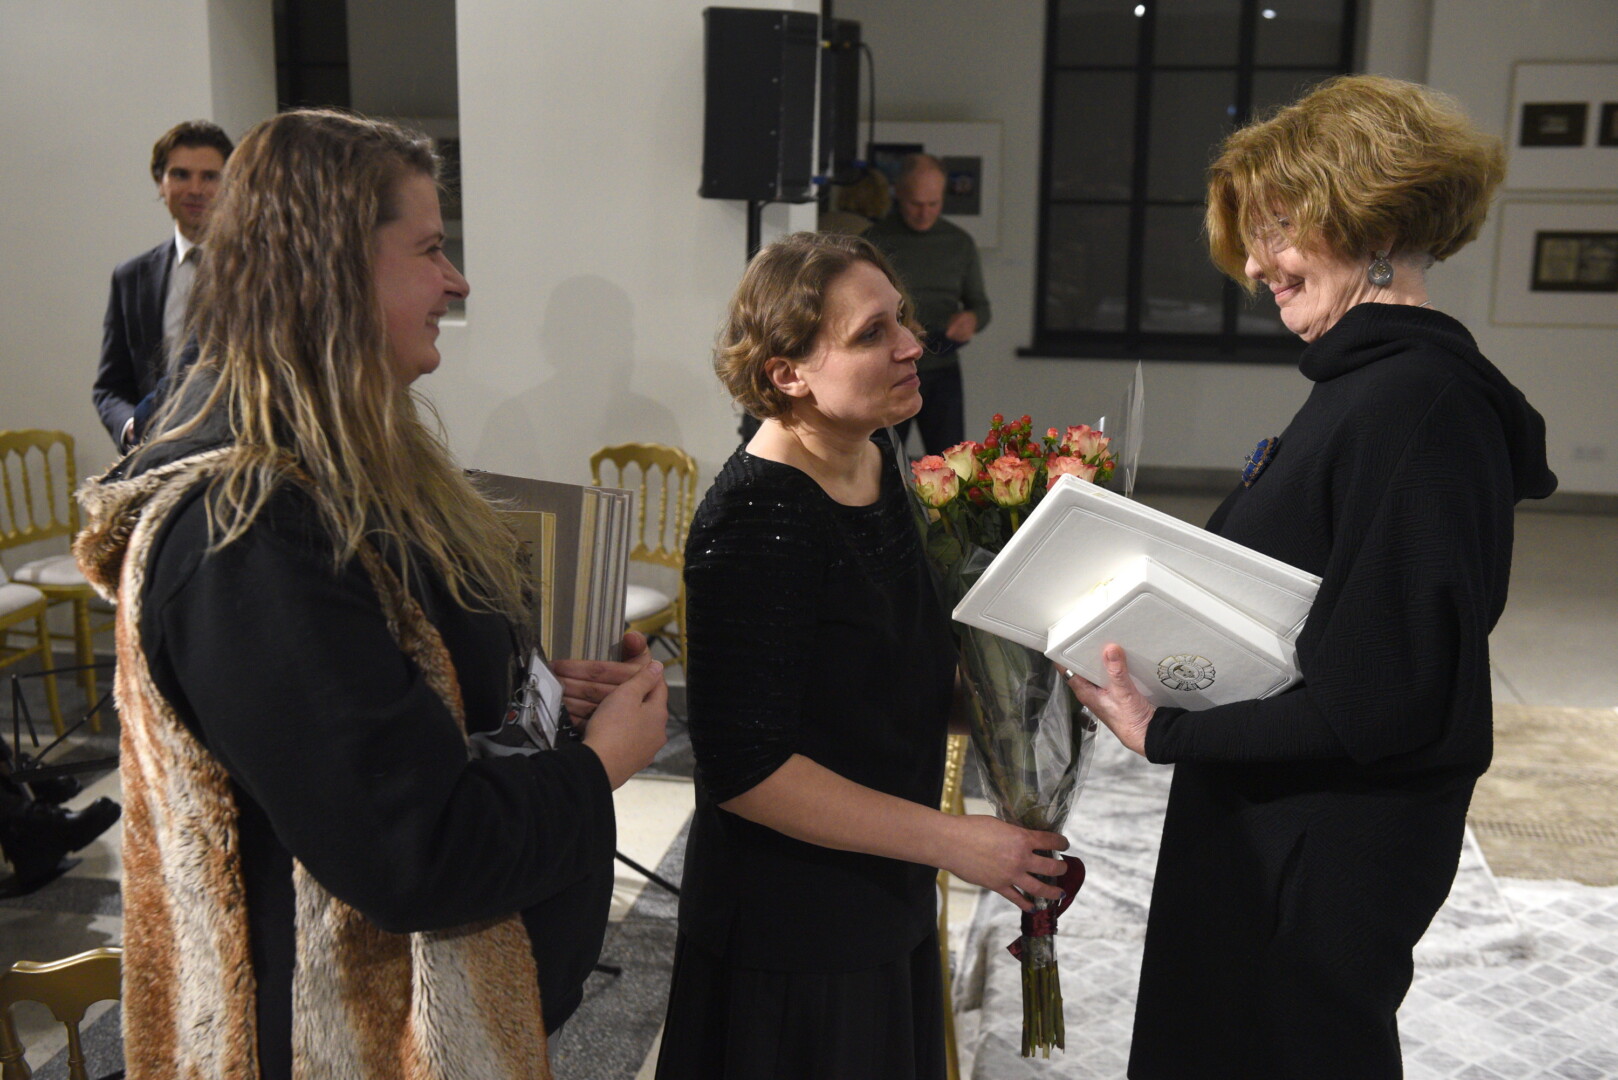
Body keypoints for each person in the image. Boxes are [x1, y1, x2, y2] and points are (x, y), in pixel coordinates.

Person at [74, 109, 668, 1080]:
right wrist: (600, 765)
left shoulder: (340, 464)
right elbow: (412, 850)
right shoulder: (248, 528)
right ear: (332, 266)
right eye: (430, 249)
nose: (458, 281)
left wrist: (539, 696)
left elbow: (380, 698)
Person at [1067, 75, 1557, 1079]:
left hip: (1328, 838)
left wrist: (1166, 732)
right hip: (1285, 814)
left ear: (1371, 221)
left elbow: (1389, 693)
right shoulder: (1368, 388)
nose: (1255, 266)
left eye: (1276, 231)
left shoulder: (1415, 405)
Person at [655, 232, 1067, 1080]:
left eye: (903, 319)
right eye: (873, 333)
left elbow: (889, 677)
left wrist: (1025, 692)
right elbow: (749, 770)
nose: (913, 345)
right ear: (787, 375)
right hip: (795, 934)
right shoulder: (757, 519)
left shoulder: (876, 460)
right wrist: (955, 841)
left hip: (884, 896)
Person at [93, 120, 236, 450]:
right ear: (160, 183)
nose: (195, 189)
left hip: (238, 453)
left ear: (230, 185)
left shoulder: (256, 269)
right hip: (157, 453)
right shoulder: (131, 277)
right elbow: (110, 387)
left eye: (210, 176)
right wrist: (132, 428)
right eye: (181, 175)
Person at [864, 153, 991, 454]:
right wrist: (897, 323)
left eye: (933, 204)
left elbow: (981, 306)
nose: (924, 213)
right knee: (882, 459)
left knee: (952, 462)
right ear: (898, 194)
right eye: (916, 204)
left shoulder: (959, 243)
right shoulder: (872, 241)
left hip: (942, 365)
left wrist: (971, 320)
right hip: (889, 367)